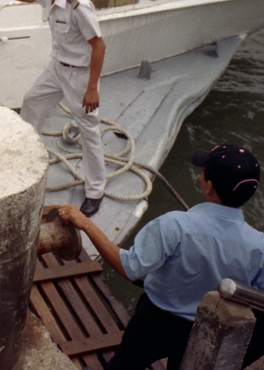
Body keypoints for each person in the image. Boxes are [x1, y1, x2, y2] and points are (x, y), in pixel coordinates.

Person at [58, 144, 264, 370]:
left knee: (125, 365)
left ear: (210, 186)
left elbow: (128, 268)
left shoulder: (174, 225)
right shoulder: (259, 246)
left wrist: (86, 224)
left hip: (156, 319)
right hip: (205, 330)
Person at [0, 0, 107, 216]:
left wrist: (92, 89)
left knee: (89, 131)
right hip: (57, 68)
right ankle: (24, 156)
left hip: (80, 75)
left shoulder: (78, 4)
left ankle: (95, 191)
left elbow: (99, 46)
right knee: (32, 101)